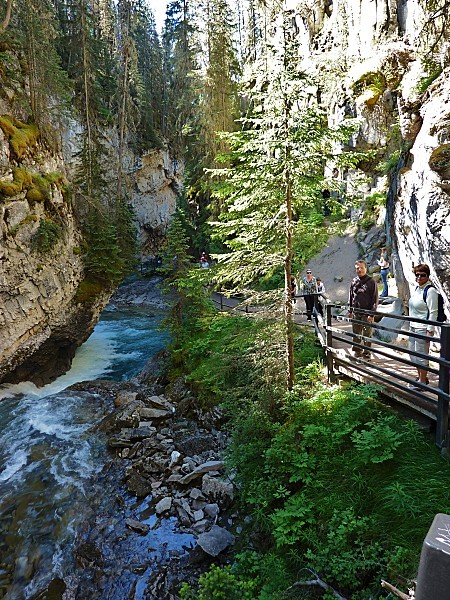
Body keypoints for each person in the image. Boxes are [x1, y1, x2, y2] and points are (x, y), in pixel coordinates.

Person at [408, 264, 438, 387]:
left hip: (422, 328)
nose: (419, 277)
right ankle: (421, 377)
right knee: (413, 354)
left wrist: (429, 330)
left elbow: (433, 311)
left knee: (421, 356)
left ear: (427, 276)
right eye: (417, 275)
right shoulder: (417, 289)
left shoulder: (430, 291)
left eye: (422, 275)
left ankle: (422, 381)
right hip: (412, 326)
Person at [347, 260, 378, 359]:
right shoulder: (354, 281)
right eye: (357, 268)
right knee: (356, 332)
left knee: (367, 333)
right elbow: (351, 296)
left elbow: (375, 299)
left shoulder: (371, 282)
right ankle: (357, 350)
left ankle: (367, 352)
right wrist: (350, 310)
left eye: (361, 268)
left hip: (367, 313)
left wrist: (372, 314)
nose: (359, 270)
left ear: (365, 268)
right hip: (356, 311)